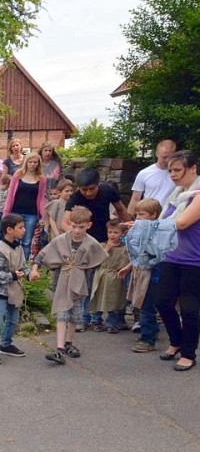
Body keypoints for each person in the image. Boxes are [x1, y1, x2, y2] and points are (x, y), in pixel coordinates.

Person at [31, 206, 107, 364]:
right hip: (62, 281)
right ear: (69, 224)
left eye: (81, 227)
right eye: (74, 226)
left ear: (88, 225)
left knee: (74, 315)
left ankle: (69, 342)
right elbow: (43, 254)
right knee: (61, 313)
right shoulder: (61, 240)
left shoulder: (91, 243)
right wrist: (35, 268)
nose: (77, 230)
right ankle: (59, 348)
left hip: (80, 284)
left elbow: (100, 259)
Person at [63, 169, 131, 330]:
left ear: (98, 185)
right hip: (87, 243)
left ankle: (117, 318)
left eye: (91, 188)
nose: (87, 193)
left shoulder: (108, 191)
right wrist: (76, 236)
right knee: (88, 281)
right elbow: (64, 222)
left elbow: (121, 210)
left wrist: (130, 228)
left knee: (114, 277)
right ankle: (85, 318)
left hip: (108, 238)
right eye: (84, 189)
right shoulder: (75, 197)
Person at [155, 150, 200, 372]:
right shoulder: (178, 194)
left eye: (177, 170)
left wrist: (150, 226)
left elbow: (181, 223)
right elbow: (163, 221)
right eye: (170, 170)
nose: (172, 175)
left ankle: (189, 353)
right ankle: (176, 341)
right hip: (171, 256)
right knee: (162, 301)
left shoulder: (198, 195)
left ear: (192, 169)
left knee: (190, 309)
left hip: (194, 261)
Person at [0, 213, 40, 364]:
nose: (24, 230)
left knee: (13, 320)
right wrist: (13, 276)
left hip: (14, 291)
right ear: (9, 230)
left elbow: (23, 266)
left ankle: (6, 344)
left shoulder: (19, 248)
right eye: (21, 227)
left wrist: (29, 275)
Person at [119, 199, 167, 353]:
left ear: (153, 215)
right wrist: (128, 267)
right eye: (137, 214)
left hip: (152, 276)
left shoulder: (157, 232)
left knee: (147, 307)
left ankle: (148, 338)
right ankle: (150, 332)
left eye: (142, 214)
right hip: (140, 273)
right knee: (142, 306)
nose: (138, 218)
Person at [2, 151, 48, 260]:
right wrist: (6, 212)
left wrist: (43, 216)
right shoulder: (18, 175)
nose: (32, 164)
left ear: (38, 164)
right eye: (30, 162)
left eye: (35, 162)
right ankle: (13, 261)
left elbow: (42, 198)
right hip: (16, 210)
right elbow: (11, 194)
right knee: (14, 238)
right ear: (26, 162)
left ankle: (24, 264)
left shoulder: (41, 179)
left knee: (27, 241)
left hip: (31, 213)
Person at [88, 221, 129, 333]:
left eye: (116, 232)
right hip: (101, 275)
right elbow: (96, 260)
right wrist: (107, 248)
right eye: (110, 232)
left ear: (122, 233)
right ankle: (96, 320)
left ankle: (112, 323)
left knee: (114, 300)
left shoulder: (125, 248)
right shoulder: (102, 245)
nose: (112, 235)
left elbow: (126, 261)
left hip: (115, 276)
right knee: (97, 297)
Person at [127, 139, 177, 215]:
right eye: (164, 157)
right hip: (148, 215)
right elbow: (135, 199)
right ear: (157, 153)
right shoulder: (144, 173)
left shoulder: (179, 173)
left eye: (170, 157)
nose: (167, 160)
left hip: (170, 216)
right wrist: (129, 218)